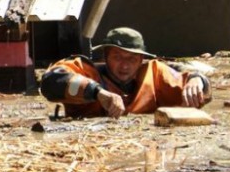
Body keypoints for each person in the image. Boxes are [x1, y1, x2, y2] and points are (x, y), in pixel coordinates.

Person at [40, 27, 212, 118]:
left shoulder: (153, 75)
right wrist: (98, 93)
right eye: (117, 57)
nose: (125, 65)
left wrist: (197, 80)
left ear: (140, 60)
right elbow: (50, 81)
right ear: (105, 56)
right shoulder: (86, 72)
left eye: (131, 59)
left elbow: (197, 88)